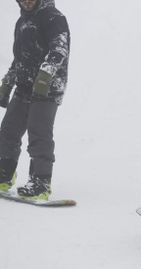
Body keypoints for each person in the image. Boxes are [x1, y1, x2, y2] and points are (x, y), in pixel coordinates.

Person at [0, 0, 70, 200]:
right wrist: (7, 82)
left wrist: (45, 75)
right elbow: (19, 58)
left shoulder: (53, 17)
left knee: (38, 133)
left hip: (47, 87)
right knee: (8, 130)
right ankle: (4, 173)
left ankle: (41, 181)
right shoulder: (22, 22)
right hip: (24, 86)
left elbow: (59, 49)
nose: (27, 2)